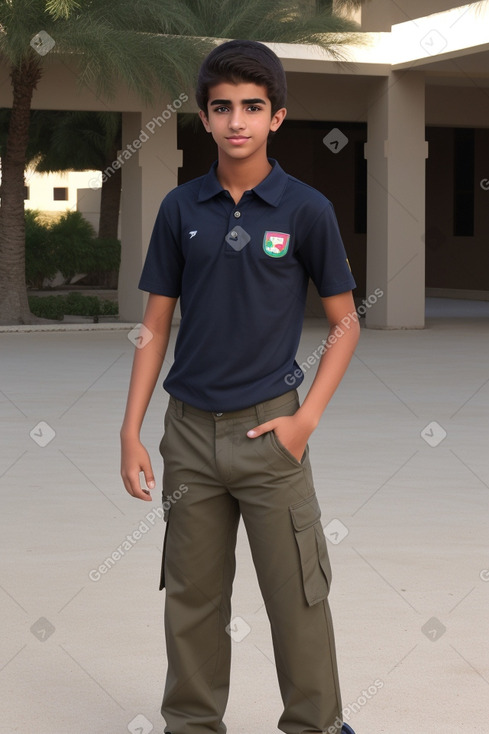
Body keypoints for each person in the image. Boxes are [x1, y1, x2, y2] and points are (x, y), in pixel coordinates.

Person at [121, 39, 360, 734]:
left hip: (271, 433)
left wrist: (304, 419)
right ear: (203, 117)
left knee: (298, 598)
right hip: (188, 435)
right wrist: (131, 430)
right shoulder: (178, 209)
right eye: (222, 107)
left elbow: (344, 323)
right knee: (192, 599)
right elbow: (153, 327)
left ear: (277, 117)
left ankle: (316, 725)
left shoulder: (303, 209)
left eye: (252, 107)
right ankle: (191, 725)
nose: (236, 121)